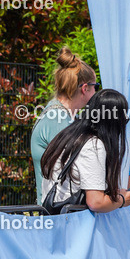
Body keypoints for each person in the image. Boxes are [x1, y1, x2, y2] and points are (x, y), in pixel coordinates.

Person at [40, 89, 130, 213]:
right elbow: (96, 202)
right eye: (124, 119)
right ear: (113, 122)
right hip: (71, 219)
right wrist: (122, 199)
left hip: (53, 216)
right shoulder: (93, 145)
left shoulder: (70, 135)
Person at [32, 47, 98, 203]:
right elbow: (81, 165)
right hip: (57, 209)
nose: (96, 93)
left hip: (62, 207)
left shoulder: (61, 115)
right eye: (96, 86)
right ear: (85, 88)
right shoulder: (58, 119)